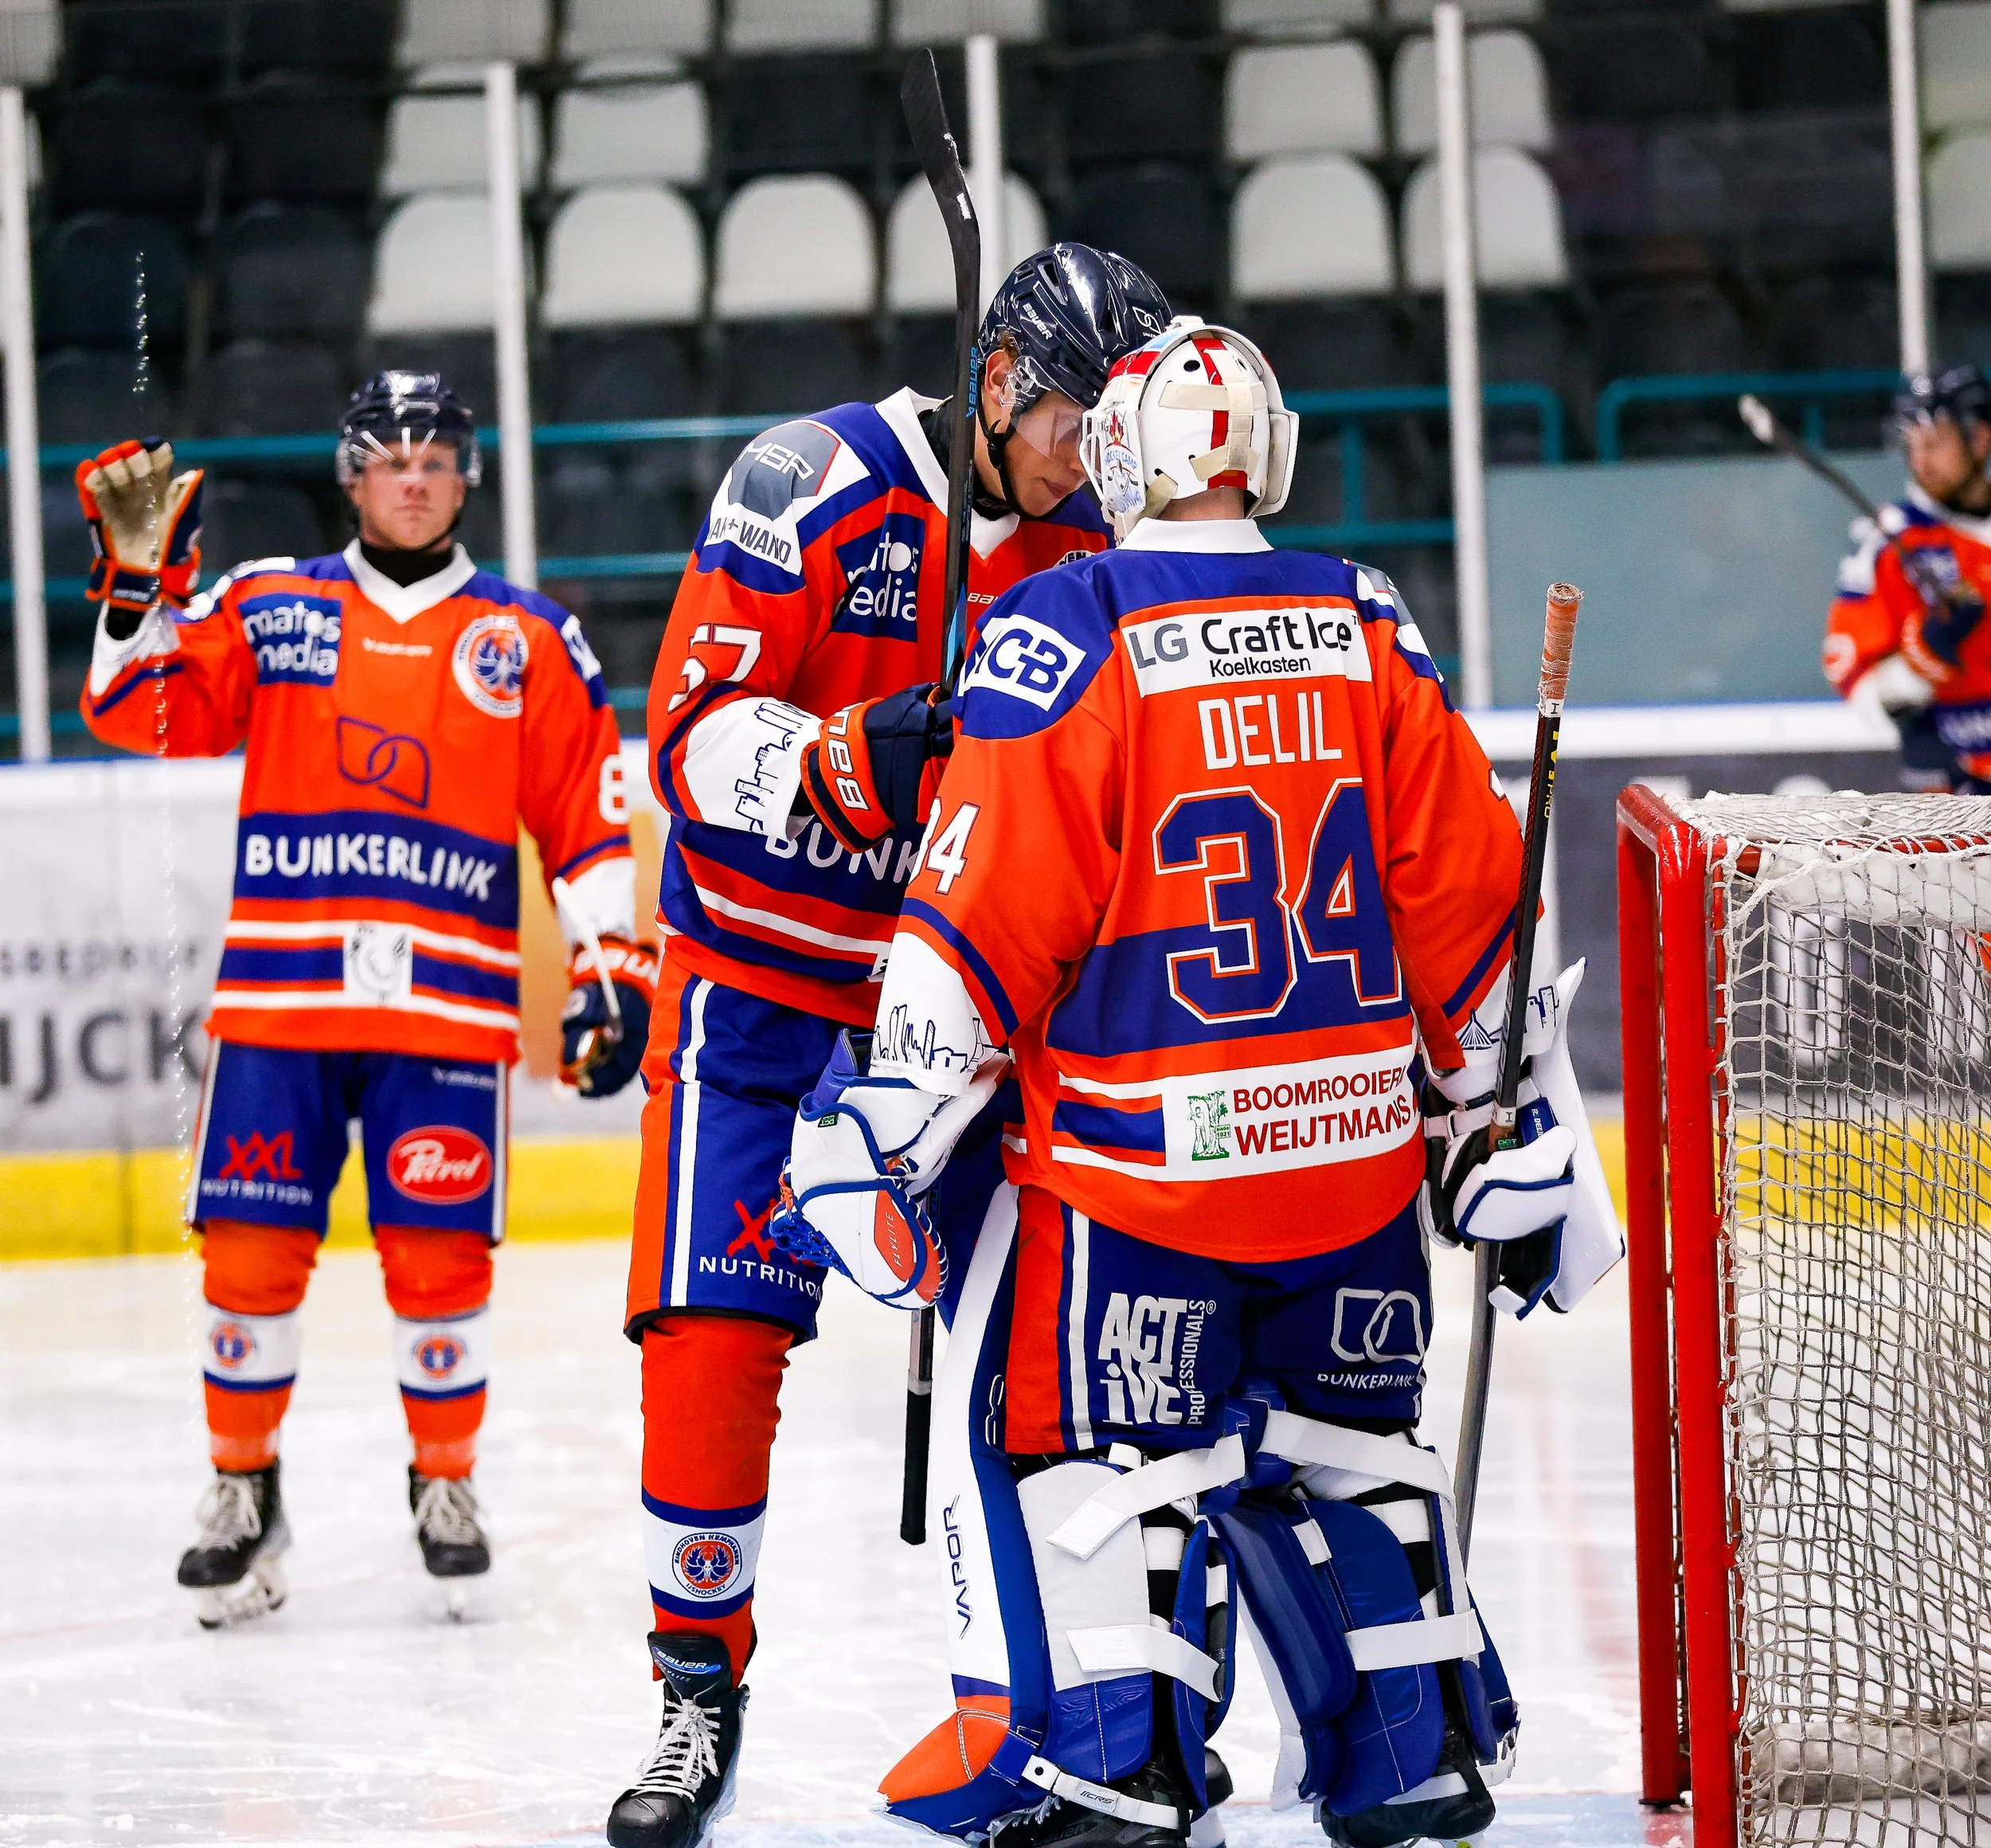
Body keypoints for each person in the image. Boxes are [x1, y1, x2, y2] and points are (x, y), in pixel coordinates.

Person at [773, 319, 1624, 1848]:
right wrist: (1510, 1124)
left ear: (1120, 455)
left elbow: (986, 914)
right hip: (1355, 1172)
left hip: (1141, 1181)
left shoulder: (1071, 625)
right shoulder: (1366, 619)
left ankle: (1124, 1769)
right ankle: (1407, 1752)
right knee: (1355, 1456)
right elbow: (1473, 913)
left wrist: (883, 1126)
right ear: (1270, 453)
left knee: (1110, 1469)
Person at [607, 245, 1172, 1848]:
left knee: (1048, 1350)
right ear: (997, 382)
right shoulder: (813, 482)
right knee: (710, 1343)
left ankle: (1051, 1702)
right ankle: (693, 1686)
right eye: (1073, 419)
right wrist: (860, 748)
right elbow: (688, 739)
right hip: (762, 984)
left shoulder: (1100, 537)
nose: (1092, 455)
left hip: (970, 1016)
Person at [78, 372, 655, 1626]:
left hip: (444, 1015)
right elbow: (141, 712)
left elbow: (587, 826)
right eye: (389, 456)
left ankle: (444, 1483)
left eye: (436, 457)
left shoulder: (527, 637)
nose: (412, 476)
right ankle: (242, 1487)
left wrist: (617, 966)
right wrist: (134, 595)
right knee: (246, 1255)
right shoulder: (270, 602)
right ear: (350, 474)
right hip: (282, 1003)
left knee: (443, 1262)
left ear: (466, 478)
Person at [1825, 364, 1991, 789]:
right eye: (1911, 445)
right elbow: (1855, 680)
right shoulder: (1891, 540)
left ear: (1981, 438)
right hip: (1954, 795)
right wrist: (1923, 658)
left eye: (1934, 443)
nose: (1920, 461)